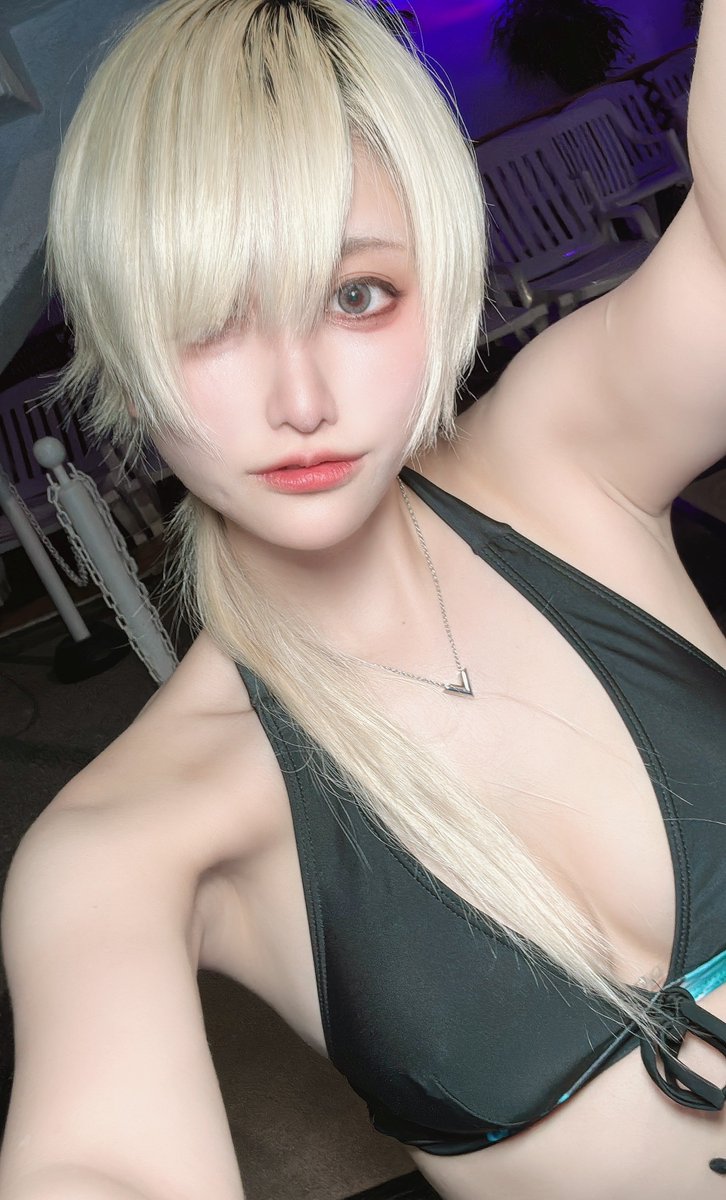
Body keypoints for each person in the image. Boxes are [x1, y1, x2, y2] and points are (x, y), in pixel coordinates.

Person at [1, 0, 726, 1196]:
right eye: (210, 319)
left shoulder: (562, 460)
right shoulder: (130, 840)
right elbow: (99, 1160)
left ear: (436, 282)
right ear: (125, 360)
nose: (301, 400)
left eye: (357, 297)